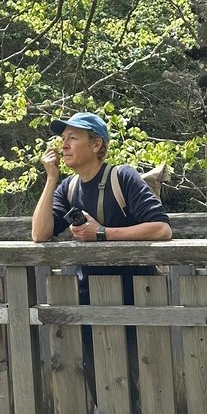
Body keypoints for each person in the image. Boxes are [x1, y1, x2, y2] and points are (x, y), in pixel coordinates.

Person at [31, 111, 172, 303]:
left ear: (96, 145)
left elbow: (162, 230)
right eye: (63, 138)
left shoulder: (122, 177)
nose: (63, 145)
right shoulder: (68, 187)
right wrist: (51, 179)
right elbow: (39, 234)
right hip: (87, 297)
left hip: (138, 297)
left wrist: (101, 232)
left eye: (72, 138)